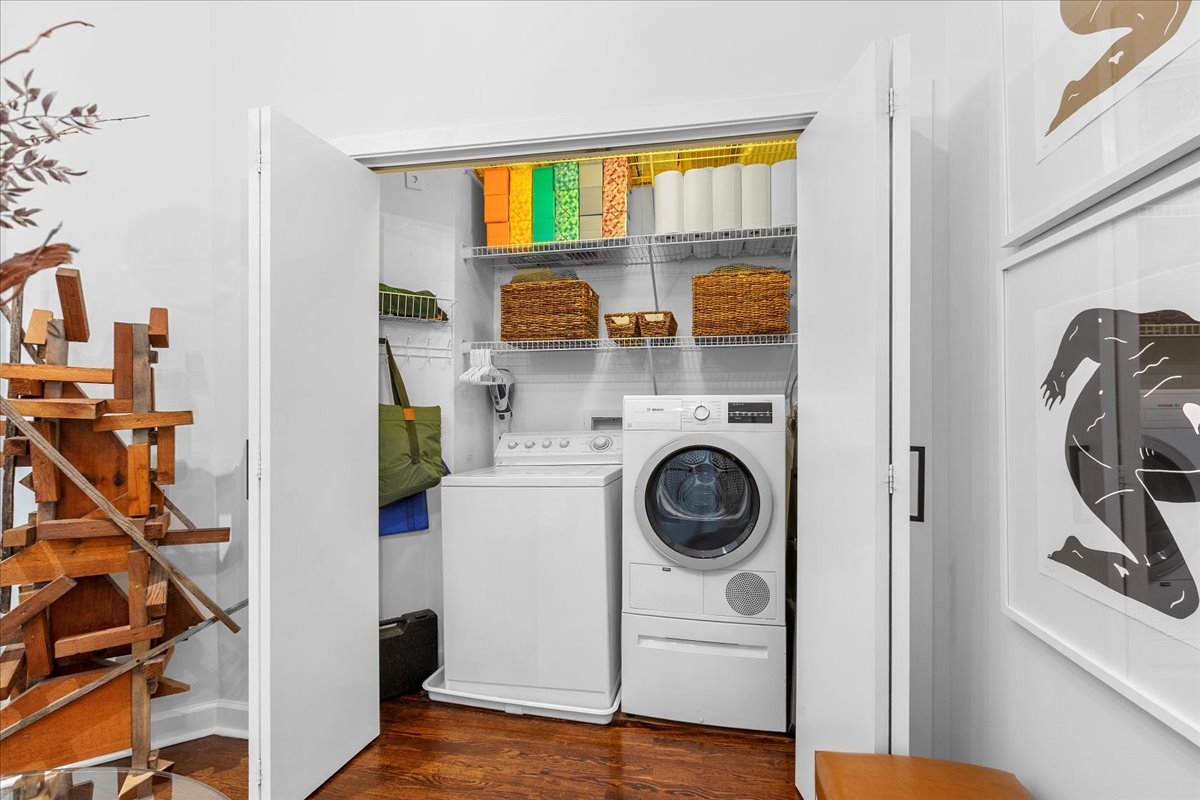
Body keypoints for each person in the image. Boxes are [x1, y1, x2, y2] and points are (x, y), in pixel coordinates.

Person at [1042, 307, 1200, 619]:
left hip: (1164, 464)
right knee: (1178, 598)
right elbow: (1088, 324)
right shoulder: (1173, 332)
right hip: (1098, 459)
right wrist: (1059, 373)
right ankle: (1078, 556)